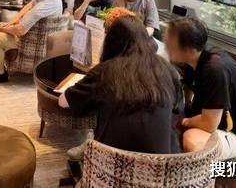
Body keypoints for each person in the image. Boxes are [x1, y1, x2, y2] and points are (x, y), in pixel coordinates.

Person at [58, 15, 183, 155]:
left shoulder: (105, 72)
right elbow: (178, 111)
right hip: (162, 163)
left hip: (113, 163)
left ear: (111, 42)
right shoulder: (167, 69)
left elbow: (63, 101)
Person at [164, 17, 236, 160]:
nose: (166, 46)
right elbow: (187, 90)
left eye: (170, 43)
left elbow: (209, 124)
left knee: (191, 139)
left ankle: (201, 174)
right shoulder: (194, 60)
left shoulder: (214, 68)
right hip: (218, 124)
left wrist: (185, 121)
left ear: (190, 50)